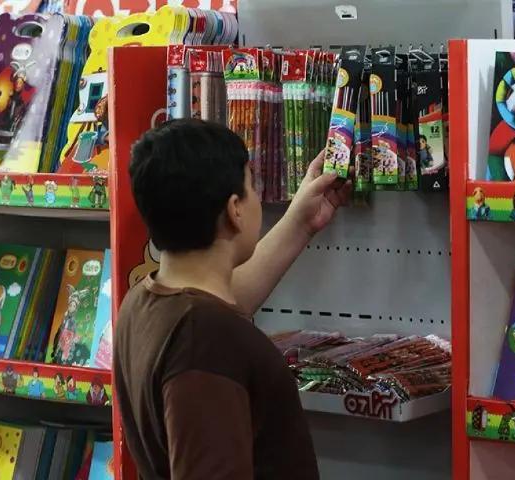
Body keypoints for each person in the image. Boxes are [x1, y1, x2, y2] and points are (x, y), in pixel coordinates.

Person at [114, 119, 353, 479]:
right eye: (251, 186)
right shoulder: (205, 341)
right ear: (234, 209)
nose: (257, 197)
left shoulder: (146, 302)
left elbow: (223, 299)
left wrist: (301, 222)